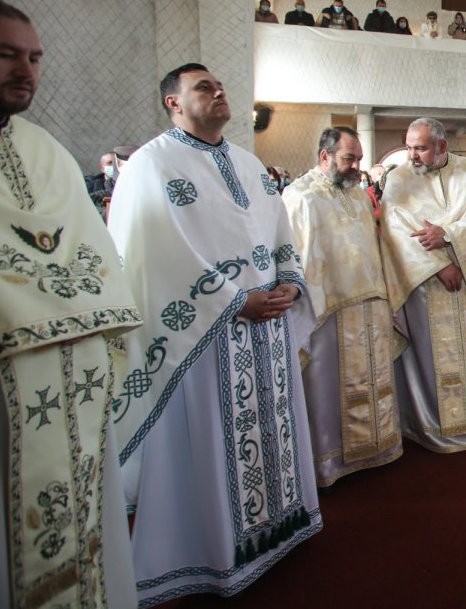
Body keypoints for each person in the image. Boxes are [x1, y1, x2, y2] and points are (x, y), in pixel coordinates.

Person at [108, 63, 321, 603]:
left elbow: (280, 233)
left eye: (220, 84)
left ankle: (279, 527)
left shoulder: (248, 165)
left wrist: (291, 283)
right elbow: (149, 257)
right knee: (206, 445)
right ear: (173, 104)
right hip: (203, 342)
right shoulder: (149, 166)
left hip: (266, 328)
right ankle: (207, 552)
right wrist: (233, 301)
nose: (219, 91)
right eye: (204, 87)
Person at [0, 3, 141, 609]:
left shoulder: (44, 148)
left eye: (35, 57)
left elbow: (93, 258)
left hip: (74, 380)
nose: (26, 69)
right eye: (5, 54)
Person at [283, 127, 404, 484]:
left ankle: (378, 448)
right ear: (325, 157)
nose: (356, 167)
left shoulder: (360, 195)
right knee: (328, 388)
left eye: (359, 159)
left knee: (373, 379)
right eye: (349, 159)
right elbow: (292, 254)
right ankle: (329, 464)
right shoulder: (299, 196)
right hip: (326, 308)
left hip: (370, 302)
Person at [379, 118, 466, 451]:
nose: (412, 156)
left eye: (420, 148)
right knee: (433, 355)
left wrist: (449, 235)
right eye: (408, 147)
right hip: (425, 285)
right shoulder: (397, 180)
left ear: (442, 146)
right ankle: (433, 425)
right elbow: (395, 234)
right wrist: (440, 267)